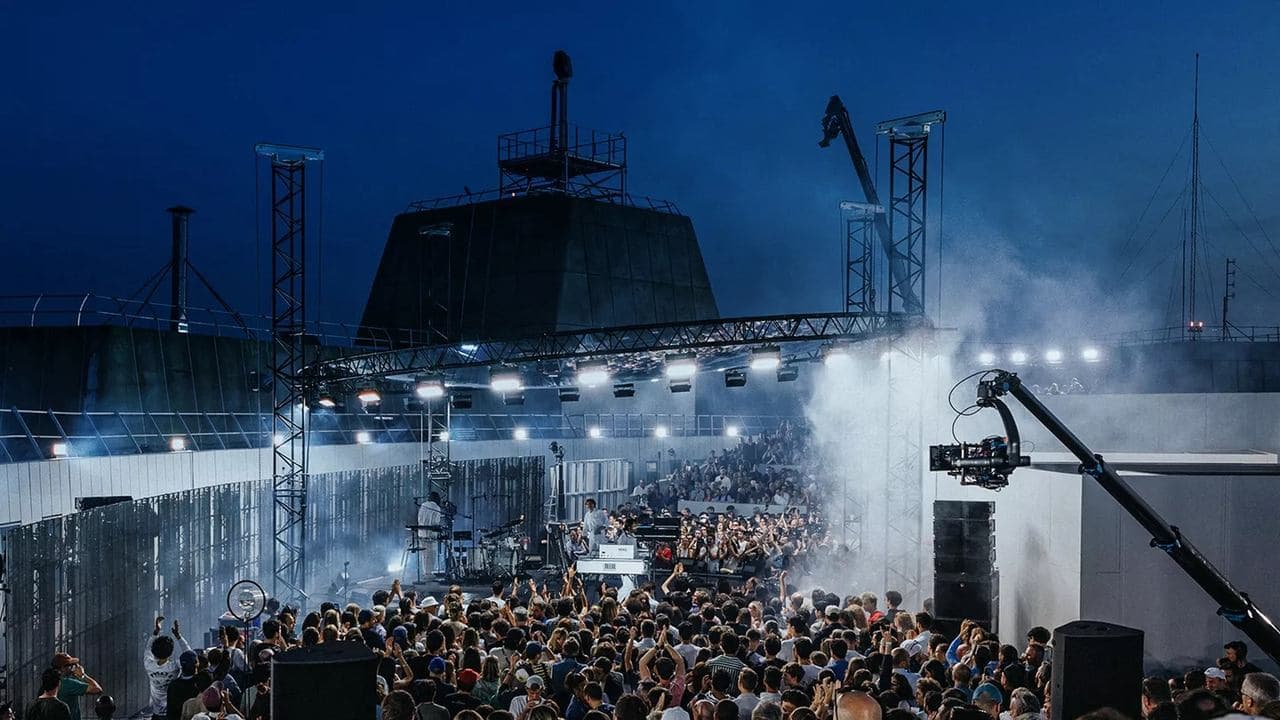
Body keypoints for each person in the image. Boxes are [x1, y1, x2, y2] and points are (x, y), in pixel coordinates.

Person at [145, 617, 191, 720]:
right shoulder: (174, 666)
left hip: (156, 715)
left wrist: (156, 631)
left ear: (154, 651)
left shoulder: (148, 665)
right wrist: (178, 636)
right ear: (171, 652)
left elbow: (148, 648)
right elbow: (189, 655)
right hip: (173, 713)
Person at [52, 652, 102, 720]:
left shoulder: (51, 682)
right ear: (63, 668)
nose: (73, 667)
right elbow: (97, 689)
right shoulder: (68, 683)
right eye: (71, 665)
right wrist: (84, 676)